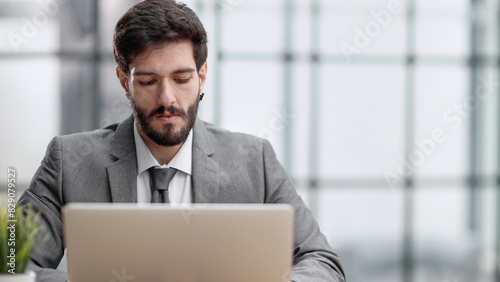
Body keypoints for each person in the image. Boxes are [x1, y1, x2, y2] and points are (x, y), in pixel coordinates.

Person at [19, 0, 345, 281]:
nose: (167, 98)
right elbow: (13, 265)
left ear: (202, 77)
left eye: (182, 78)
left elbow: (322, 262)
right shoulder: (69, 161)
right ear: (124, 81)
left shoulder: (255, 161)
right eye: (148, 81)